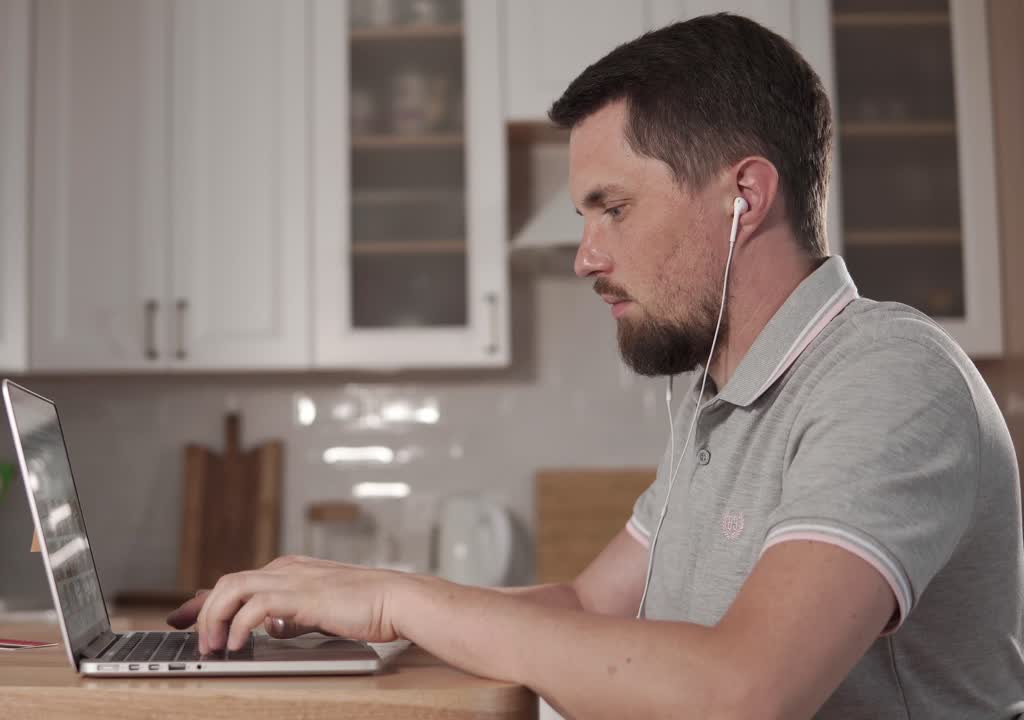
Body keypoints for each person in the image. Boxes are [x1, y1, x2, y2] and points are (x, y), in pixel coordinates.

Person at [168, 13, 1024, 718]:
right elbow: (587, 606)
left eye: (612, 208)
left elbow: (745, 692)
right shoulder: (718, 398)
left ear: (744, 198)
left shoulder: (888, 377)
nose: (585, 255)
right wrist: (355, 607)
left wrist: (398, 601)